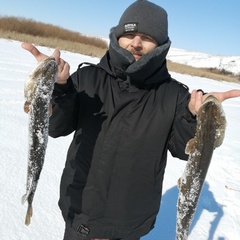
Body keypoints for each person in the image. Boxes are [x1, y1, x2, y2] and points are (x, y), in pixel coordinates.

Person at [22, 1, 240, 239]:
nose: (136, 43)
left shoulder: (174, 95)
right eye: (129, 34)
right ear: (118, 37)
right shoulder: (88, 78)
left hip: (129, 225)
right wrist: (59, 88)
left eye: (146, 37)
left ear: (160, 44)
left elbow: (185, 150)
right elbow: (55, 127)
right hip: (79, 211)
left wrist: (197, 117)